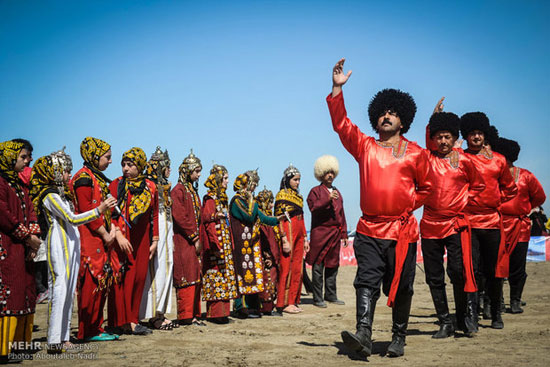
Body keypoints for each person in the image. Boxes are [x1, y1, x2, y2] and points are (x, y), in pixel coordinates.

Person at [329, 59, 432, 358]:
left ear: (404, 120)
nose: (387, 116)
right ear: (376, 118)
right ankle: (363, 333)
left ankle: (398, 337)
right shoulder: (365, 146)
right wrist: (337, 89)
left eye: (393, 113)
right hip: (369, 229)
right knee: (366, 280)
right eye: (383, 113)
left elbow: (426, 188)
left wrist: (406, 205)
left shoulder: (417, 153)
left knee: (402, 287)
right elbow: (341, 125)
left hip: (402, 232)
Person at [29, 149, 116, 352]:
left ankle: (65, 336)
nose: (69, 175)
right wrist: (99, 210)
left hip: (70, 242)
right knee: (59, 288)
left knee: (69, 289)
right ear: (56, 172)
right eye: (65, 171)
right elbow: (72, 218)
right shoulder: (49, 195)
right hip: (58, 243)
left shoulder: (63, 194)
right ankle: (54, 339)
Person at [421, 105, 485, 338]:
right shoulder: (427, 159)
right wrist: (433, 119)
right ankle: (444, 322)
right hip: (429, 225)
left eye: (447, 137)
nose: (443, 141)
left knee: (458, 272)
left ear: (455, 138)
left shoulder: (466, 161)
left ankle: (465, 318)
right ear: (434, 139)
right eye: (439, 137)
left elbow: (478, 186)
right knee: (433, 276)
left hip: (456, 225)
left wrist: (463, 201)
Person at [460, 113, 517, 329]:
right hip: (469, 223)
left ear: (485, 135)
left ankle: (495, 313)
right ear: (466, 136)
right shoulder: (460, 158)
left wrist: (494, 201)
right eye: (472, 133)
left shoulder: (499, 160)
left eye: (479, 133)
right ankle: (472, 315)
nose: (476, 136)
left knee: (495, 271)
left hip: (492, 222)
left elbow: (510, 189)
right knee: (472, 271)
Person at [70, 136, 118, 341]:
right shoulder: (83, 178)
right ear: (94, 156)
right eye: (107, 157)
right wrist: (105, 233)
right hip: (89, 239)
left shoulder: (94, 176)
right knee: (90, 283)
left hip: (100, 239)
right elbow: (85, 211)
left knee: (101, 283)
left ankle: (96, 328)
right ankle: (87, 330)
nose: (110, 161)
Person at [108, 147, 159, 335]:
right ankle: (122, 321)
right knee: (123, 278)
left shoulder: (150, 187)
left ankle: (133, 318)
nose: (125, 169)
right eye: (123, 165)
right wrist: (118, 235)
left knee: (139, 278)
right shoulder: (117, 185)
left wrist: (155, 240)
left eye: (130, 165)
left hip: (143, 238)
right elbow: (110, 212)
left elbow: (154, 214)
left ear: (140, 166)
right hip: (123, 237)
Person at [492, 137, 546, 313]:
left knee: (518, 265)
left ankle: (515, 300)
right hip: (496, 224)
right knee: (496, 265)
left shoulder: (526, 176)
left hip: (520, 226)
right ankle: (497, 302)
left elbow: (540, 197)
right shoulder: (493, 175)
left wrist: (526, 209)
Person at [0, 140, 41, 363]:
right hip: (7, 246)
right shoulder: (1, 184)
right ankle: (4, 350)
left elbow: (31, 210)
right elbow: (4, 215)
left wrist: (33, 240)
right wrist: (27, 238)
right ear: (10, 157)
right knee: (11, 295)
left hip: (24, 248)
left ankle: (21, 346)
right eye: (24, 157)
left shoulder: (20, 184)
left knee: (27, 293)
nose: (28, 161)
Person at [230, 170, 284, 318]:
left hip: (251, 245)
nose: (254, 188)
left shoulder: (248, 201)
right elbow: (249, 216)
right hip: (241, 245)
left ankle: (253, 307)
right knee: (241, 275)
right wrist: (253, 201)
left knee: (253, 275)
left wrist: (278, 219)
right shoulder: (237, 201)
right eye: (253, 184)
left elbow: (262, 217)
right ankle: (241, 308)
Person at [140, 147, 175, 330]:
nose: (170, 170)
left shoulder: (165, 185)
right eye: (167, 166)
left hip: (167, 229)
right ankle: (153, 314)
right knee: (156, 270)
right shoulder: (149, 185)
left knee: (166, 267)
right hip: (157, 228)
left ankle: (161, 312)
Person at [306, 155, 348, 308]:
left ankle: (331, 295)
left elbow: (341, 214)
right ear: (320, 174)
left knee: (333, 265)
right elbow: (313, 208)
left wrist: (344, 233)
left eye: (332, 172)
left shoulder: (338, 192)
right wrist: (327, 199)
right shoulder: (314, 191)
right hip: (320, 233)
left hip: (335, 234)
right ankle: (317, 298)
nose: (330, 175)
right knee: (318, 266)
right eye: (327, 172)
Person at [200, 164, 238, 324]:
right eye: (225, 178)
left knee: (224, 278)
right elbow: (207, 220)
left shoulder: (222, 198)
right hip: (216, 246)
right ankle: (215, 314)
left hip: (225, 244)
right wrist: (216, 245)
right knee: (216, 277)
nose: (228, 182)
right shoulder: (210, 198)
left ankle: (223, 312)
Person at [172, 150, 203, 326]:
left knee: (195, 274)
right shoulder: (178, 191)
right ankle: (185, 315)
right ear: (187, 171)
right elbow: (180, 216)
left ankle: (194, 314)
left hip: (193, 240)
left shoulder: (191, 190)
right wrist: (194, 236)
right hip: (183, 240)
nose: (198, 175)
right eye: (196, 171)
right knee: (186, 275)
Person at [274, 164, 309, 314]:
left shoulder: (299, 197)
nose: (298, 182)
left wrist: (306, 238)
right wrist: (283, 239)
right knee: (286, 267)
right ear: (288, 180)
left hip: (300, 234)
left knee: (298, 267)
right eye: (295, 179)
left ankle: (293, 300)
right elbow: (278, 219)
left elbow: (302, 217)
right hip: (288, 233)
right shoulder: (281, 196)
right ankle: (284, 302)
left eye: (299, 180)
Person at [256, 187, 282, 315]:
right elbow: (265, 241)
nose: (272, 205)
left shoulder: (269, 217)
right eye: (270, 202)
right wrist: (267, 256)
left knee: (272, 281)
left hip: (273, 256)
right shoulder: (263, 220)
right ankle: (266, 308)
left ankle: (269, 307)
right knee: (268, 281)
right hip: (267, 258)